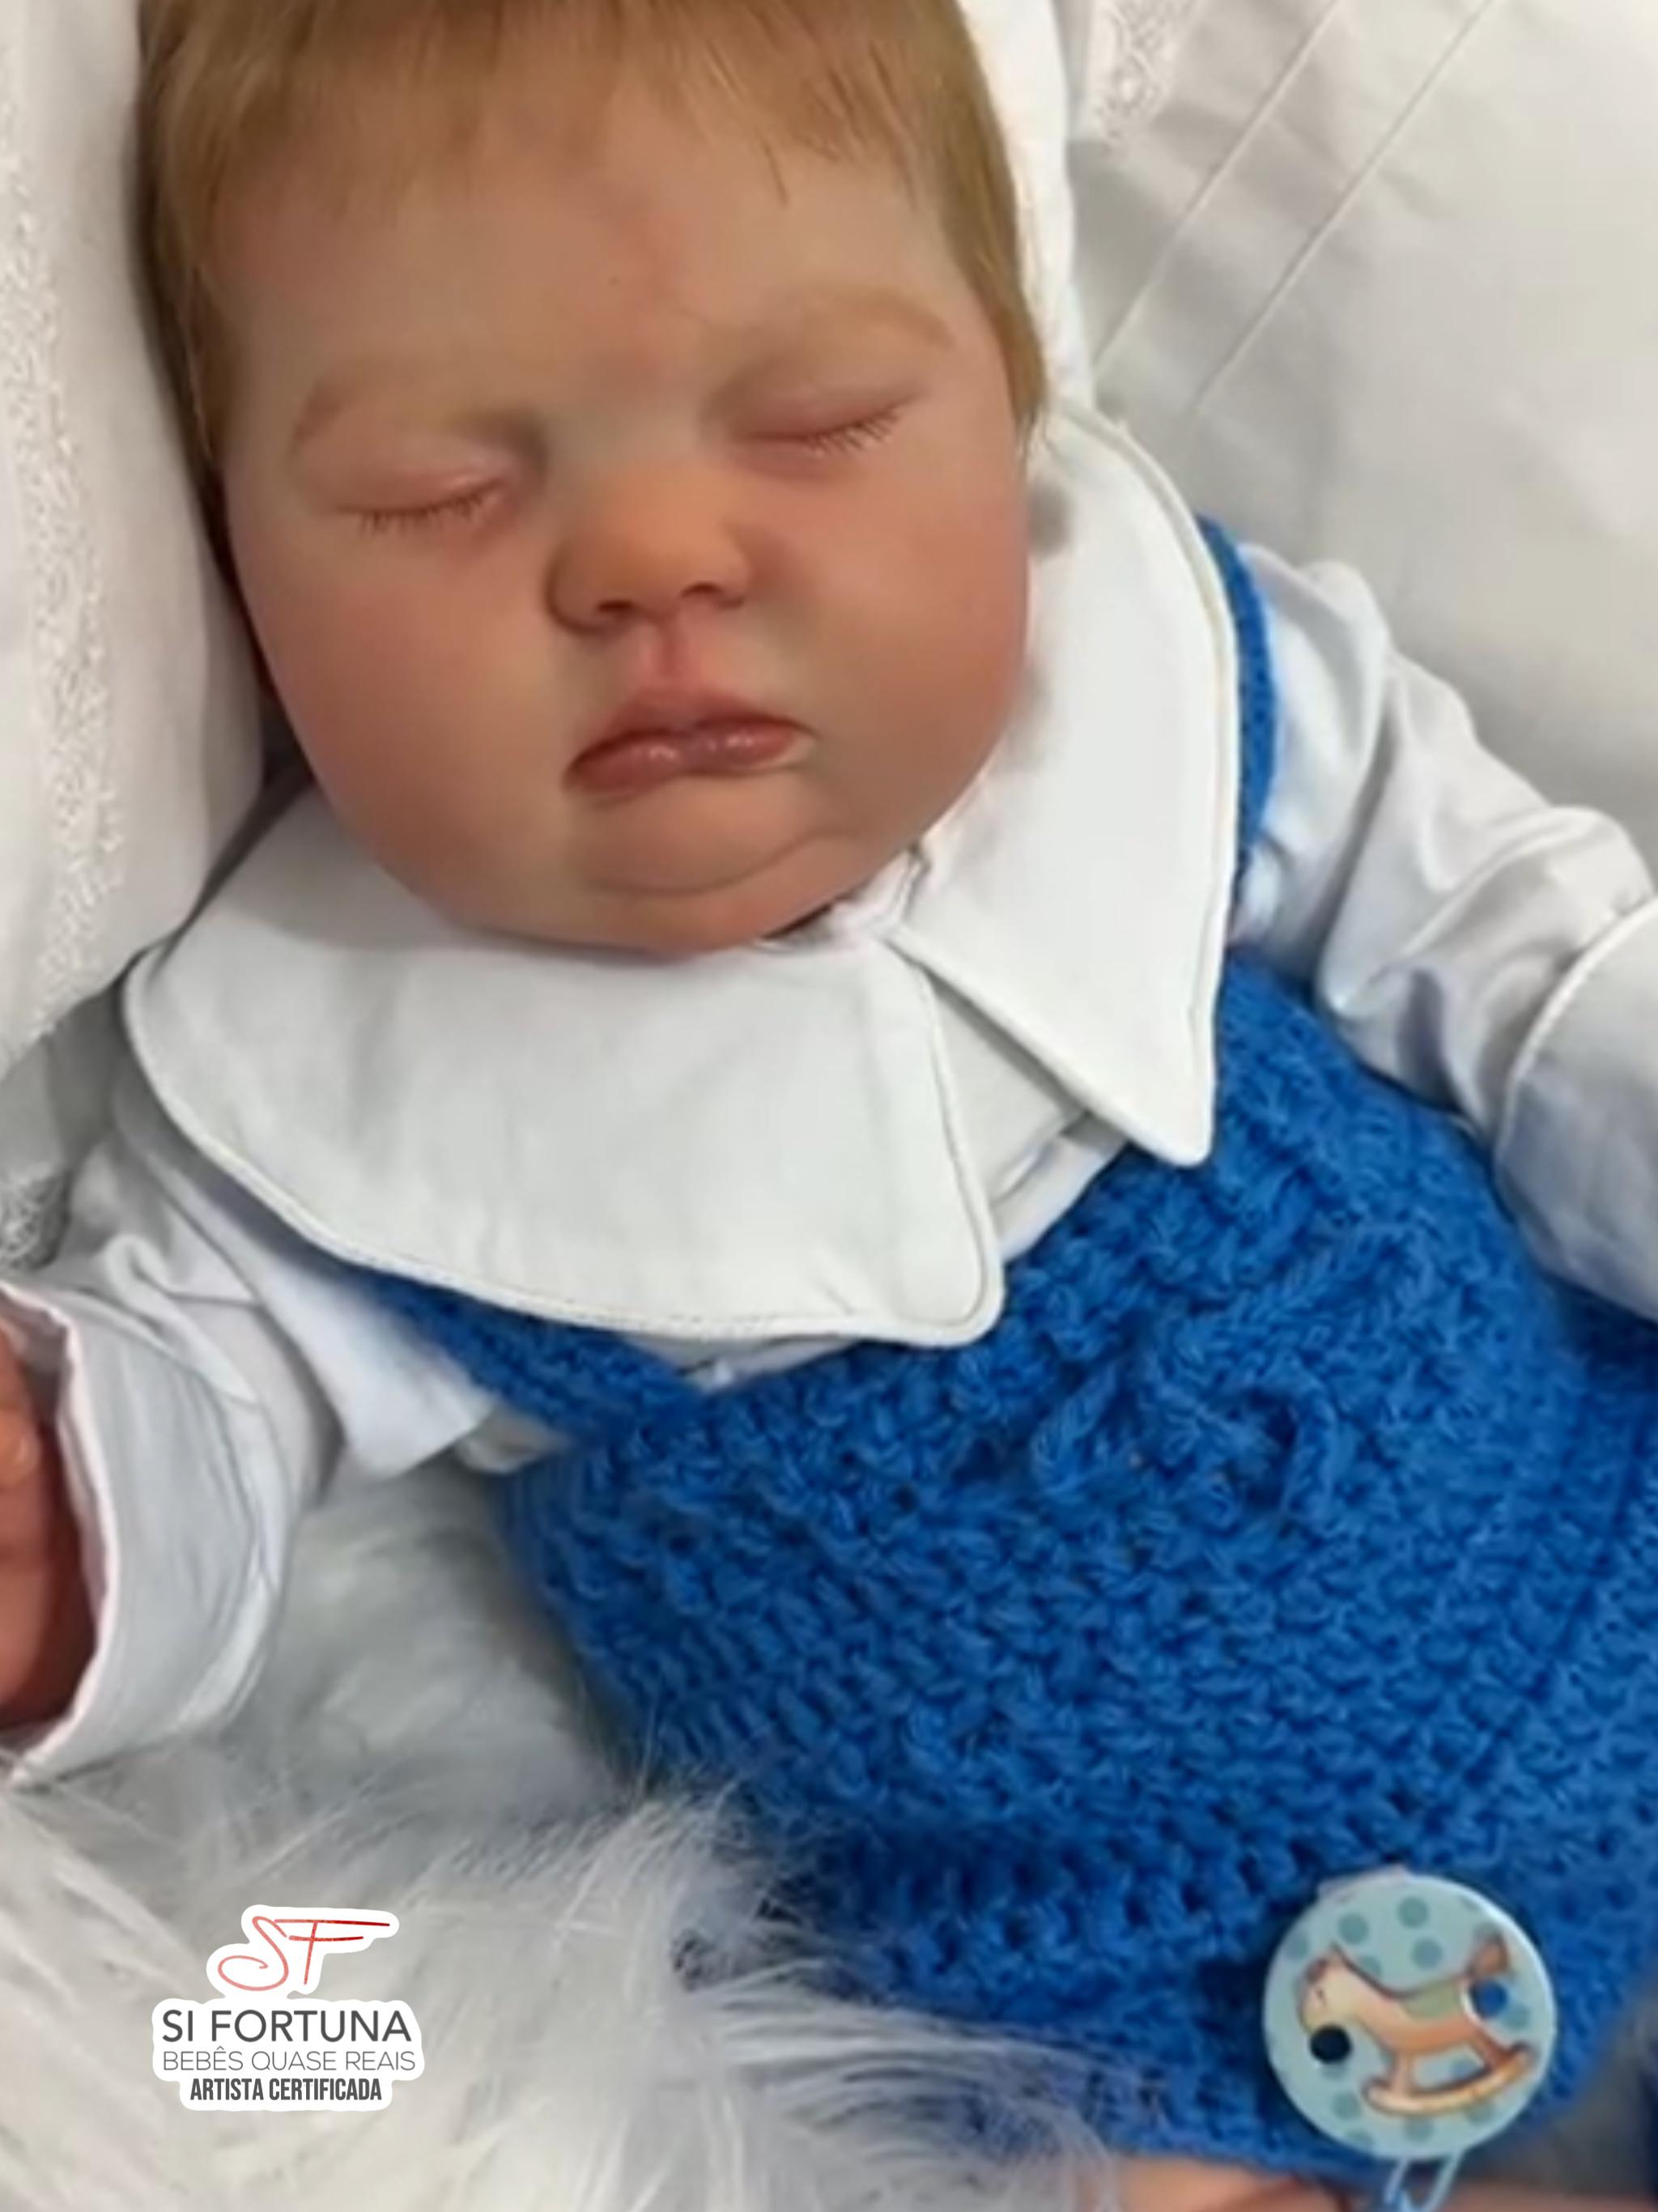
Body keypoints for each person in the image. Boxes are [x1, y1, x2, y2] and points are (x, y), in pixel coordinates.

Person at [3, 0, 1658, 2201]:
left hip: (1608, 1561)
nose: (652, 557)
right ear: (234, 562)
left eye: (819, 421)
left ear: (1006, 397)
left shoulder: (1158, 688)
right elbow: (202, 1412)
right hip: (1098, 1995)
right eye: (441, 492)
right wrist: (74, 1509)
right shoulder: (320, 1071)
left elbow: (1537, 968)